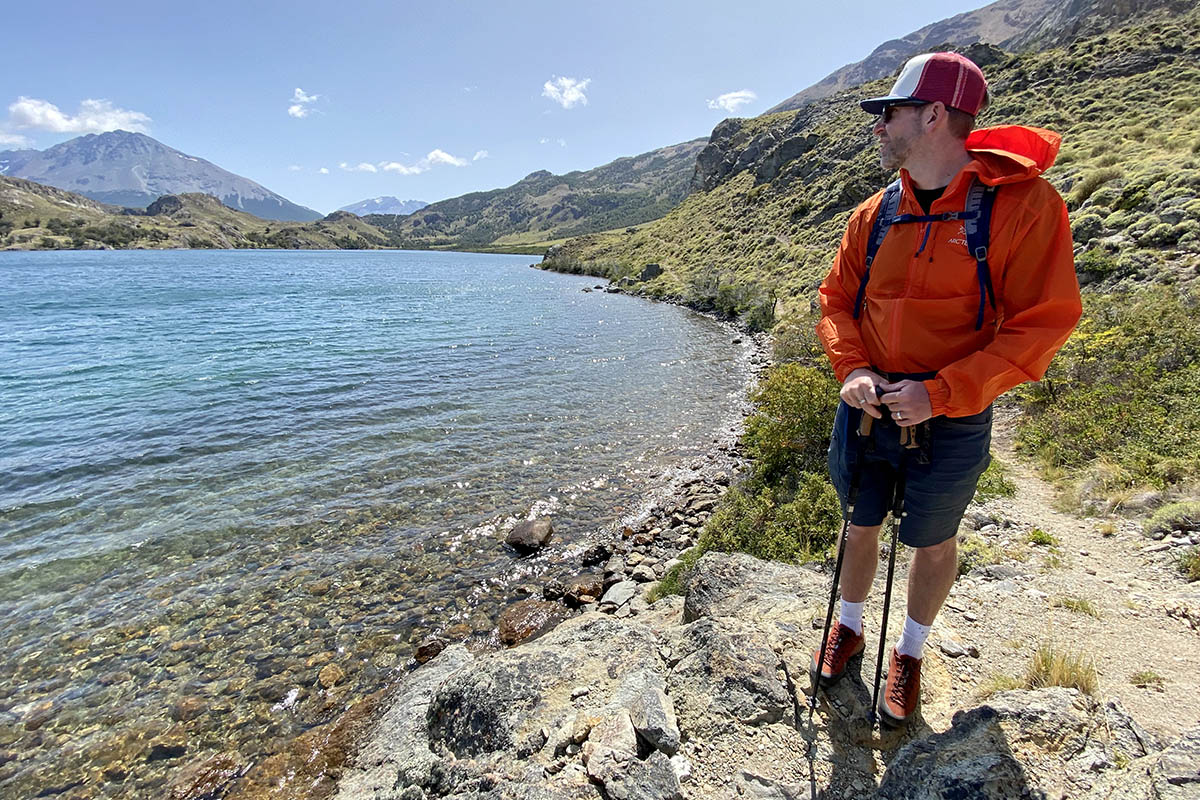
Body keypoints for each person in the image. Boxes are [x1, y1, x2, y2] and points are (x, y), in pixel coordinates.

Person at [811, 51, 1082, 727]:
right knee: (859, 522)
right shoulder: (872, 215)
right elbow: (836, 301)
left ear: (933, 115)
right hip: (868, 410)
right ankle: (848, 626)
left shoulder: (1024, 207)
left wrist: (945, 391)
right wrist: (853, 371)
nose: (880, 128)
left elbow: (1042, 323)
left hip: (953, 418)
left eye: (890, 113)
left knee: (933, 540)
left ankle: (910, 652)